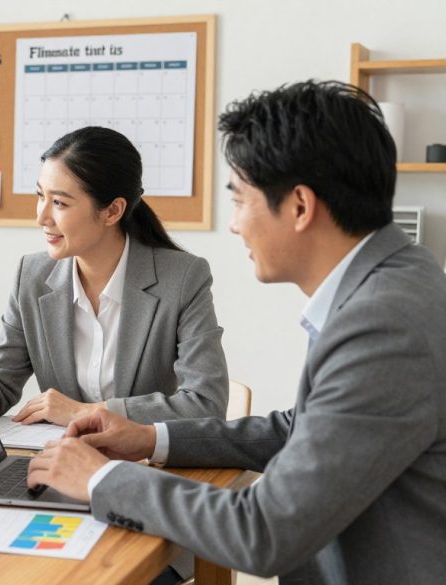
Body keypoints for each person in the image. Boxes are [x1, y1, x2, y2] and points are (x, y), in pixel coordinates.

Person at [27, 80, 446, 583]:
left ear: (299, 206)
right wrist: (150, 437)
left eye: (240, 200)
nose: (233, 225)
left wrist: (101, 479)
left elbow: (263, 532)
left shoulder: (384, 324)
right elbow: (302, 429)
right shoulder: (398, 280)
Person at [0, 126, 228, 427]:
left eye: (59, 202)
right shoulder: (31, 276)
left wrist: (87, 412)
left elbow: (205, 403)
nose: (41, 216)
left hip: (140, 466)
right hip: (59, 462)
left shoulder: (183, 278)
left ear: (113, 211)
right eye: (40, 196)